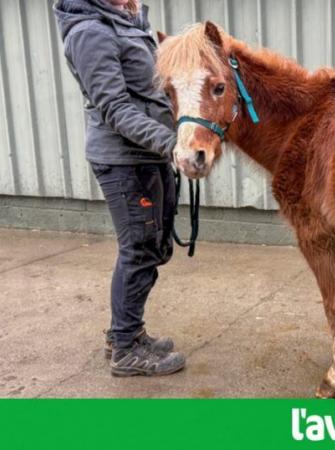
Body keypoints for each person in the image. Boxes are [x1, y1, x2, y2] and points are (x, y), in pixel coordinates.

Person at [54, 0, 186, 376]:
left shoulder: (127, 22)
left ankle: (126, 333)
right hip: (124, 159)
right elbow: (114, 107)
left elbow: (150, 92)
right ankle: (126, 350)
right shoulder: (90, 32)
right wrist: (170, 143)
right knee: (139, 249)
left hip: (150, 155)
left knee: (154, 246)